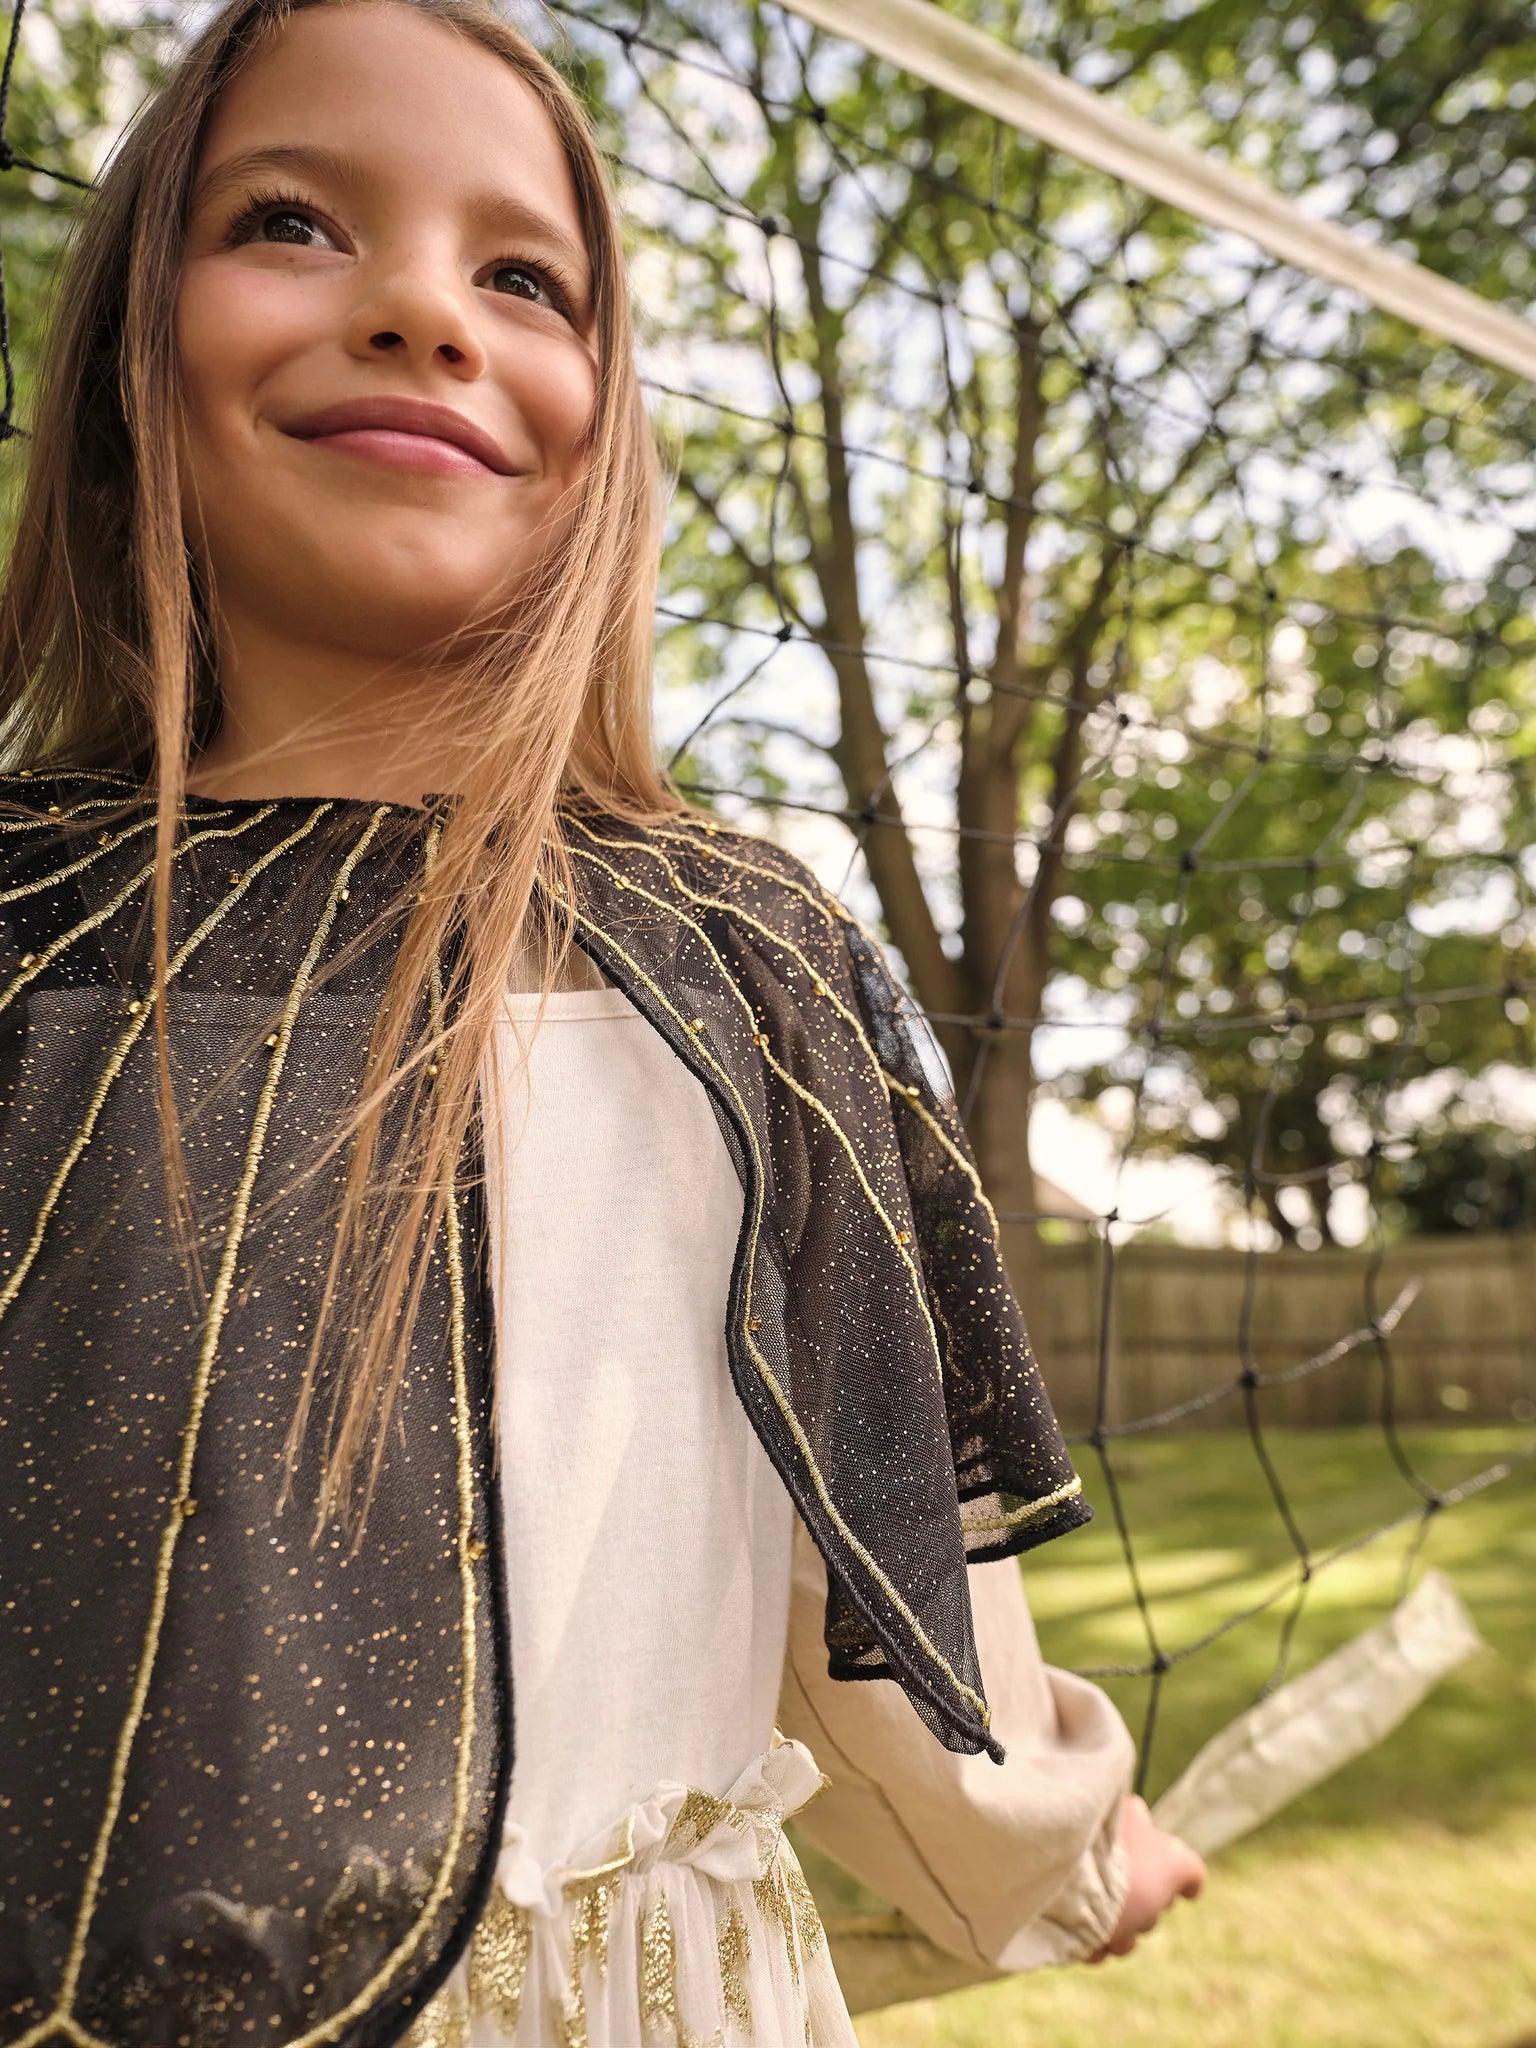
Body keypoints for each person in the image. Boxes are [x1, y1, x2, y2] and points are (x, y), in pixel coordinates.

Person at [0, 0, 1205, 2041]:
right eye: (294, 220)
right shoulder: (34, 943)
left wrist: (1067, 1841)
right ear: (131, 335)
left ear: (603, 410)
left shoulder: (748, 955)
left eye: (522, 276)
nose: (423, 315)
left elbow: (877, 1564)